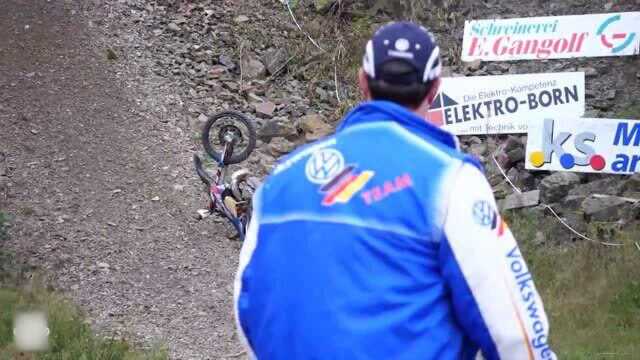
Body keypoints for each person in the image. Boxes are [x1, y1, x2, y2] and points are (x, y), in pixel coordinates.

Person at [233, 21, 555, 360]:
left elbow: (247, 306)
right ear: (434, 89)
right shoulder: (451, 178)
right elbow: (515, 332)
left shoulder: (281, 178)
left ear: (362, 82)